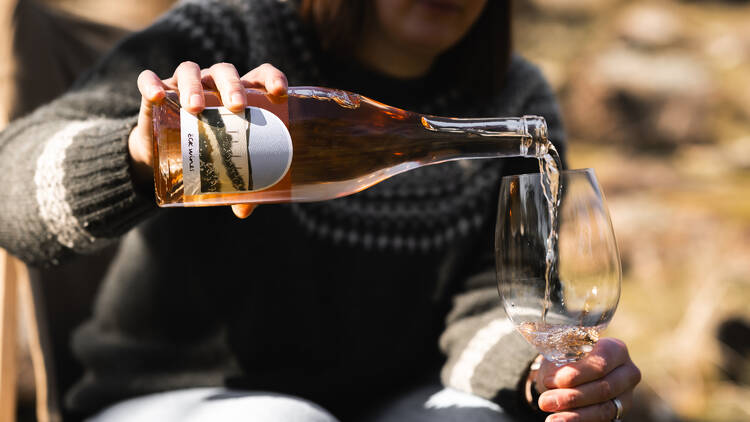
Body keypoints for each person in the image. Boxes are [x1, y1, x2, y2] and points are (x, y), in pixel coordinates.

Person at [0, 0, 641, 421]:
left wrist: (541, 371)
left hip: (398, 401)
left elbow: (500, 302)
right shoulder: (229, 32)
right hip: (174, 397)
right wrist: (138, 157)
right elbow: (10, 191)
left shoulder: (514, 95)